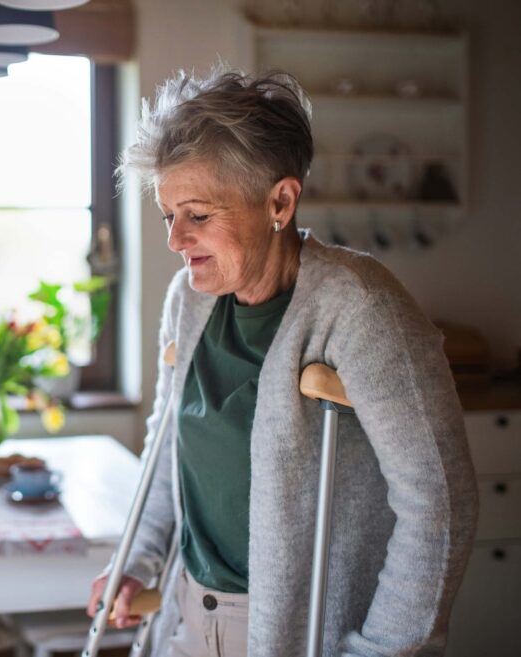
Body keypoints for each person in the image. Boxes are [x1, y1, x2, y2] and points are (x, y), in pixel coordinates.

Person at [85, 68, 478, 657]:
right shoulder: (188, 300)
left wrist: (384, 649)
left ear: (280, 200)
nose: (175, 240)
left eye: (197, 215)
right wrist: (137, 557)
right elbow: (168, 448)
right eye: (169, 215)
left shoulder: (360, 306)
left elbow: (439, 502)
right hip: (188, 613)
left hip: (301, 632)